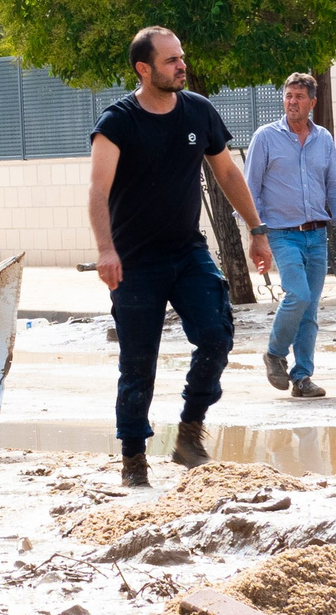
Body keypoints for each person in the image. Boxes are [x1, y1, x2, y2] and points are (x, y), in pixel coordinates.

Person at [88, 27, 273, 490]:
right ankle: (134, 462)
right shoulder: (118, 121)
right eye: (171, 61)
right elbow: (97, 190)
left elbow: (227, 172)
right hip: (133, 261)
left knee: (216, 336)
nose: (181, 66)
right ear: (143, 69)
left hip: (187, 252)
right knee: (138, 364)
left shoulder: (199, 110)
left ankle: (190, 433)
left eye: (182, 58)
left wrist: (258, 230)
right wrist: (106, 250)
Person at [243, 71, 336, 401]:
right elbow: (251, 191)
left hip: (317, 236)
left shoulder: (324, 140)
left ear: (312, 103)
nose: (292, 102)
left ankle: (302, 376)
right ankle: (274, 353)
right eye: (288, 96)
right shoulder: (265, 137)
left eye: (299, 97)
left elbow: (335, 187)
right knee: (298, 294)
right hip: (281, 233)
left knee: (310, 310)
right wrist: (256, 234)